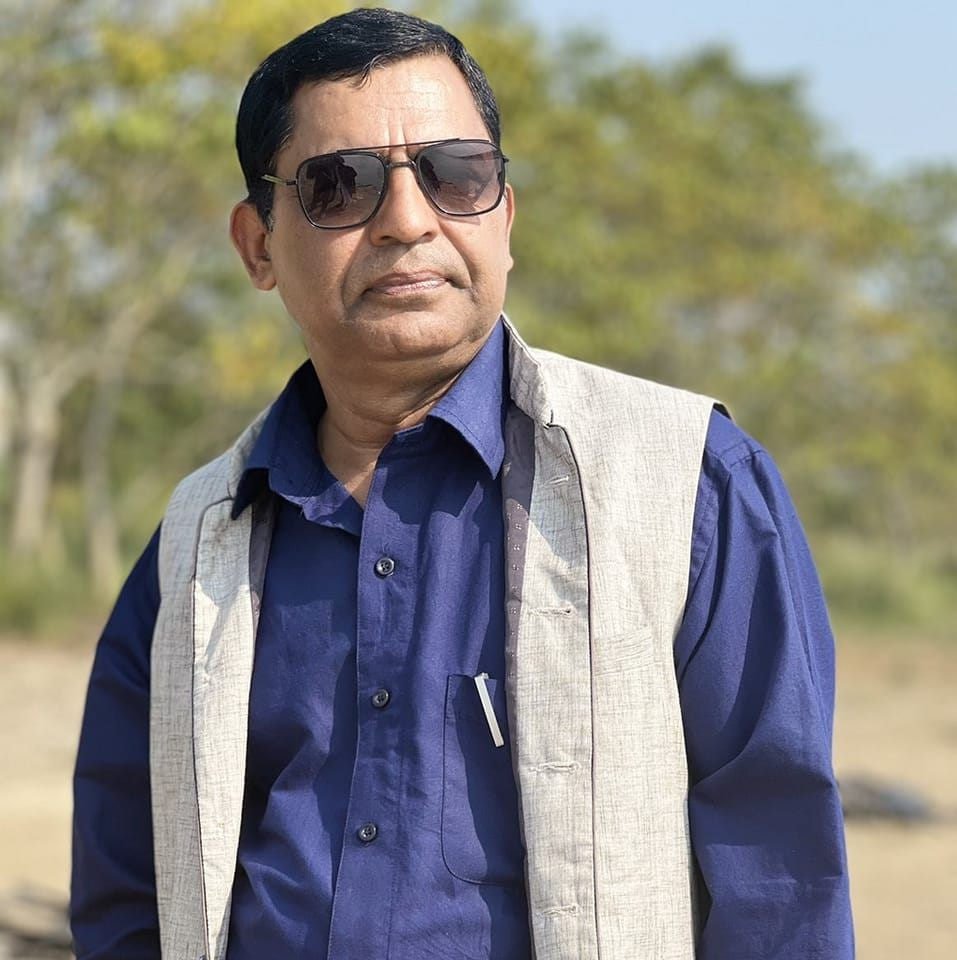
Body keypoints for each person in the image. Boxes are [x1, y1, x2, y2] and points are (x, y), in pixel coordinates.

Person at [70, 8, 853, 960]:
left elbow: (779, 879)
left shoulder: (688, 482)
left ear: (504, 217)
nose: (408, 220)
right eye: (338, 184)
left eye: (455, 174)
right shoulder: (199, 542)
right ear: (258, 246)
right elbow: (127, 887)